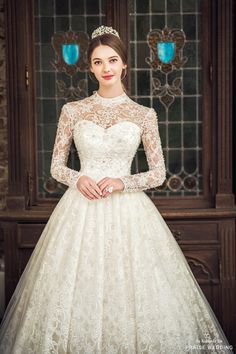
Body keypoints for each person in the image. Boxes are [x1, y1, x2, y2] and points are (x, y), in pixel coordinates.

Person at [0, 25, 233, 354]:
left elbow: (158, 173)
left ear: (124, 64)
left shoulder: (143, 115)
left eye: (112, 60)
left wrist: (122, 181)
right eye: (97, 62)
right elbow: (55, 167)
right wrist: (79, 178)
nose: (105, 68)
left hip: (129, 212)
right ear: (91, 67)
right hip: (79, 208)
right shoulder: (73, 111)